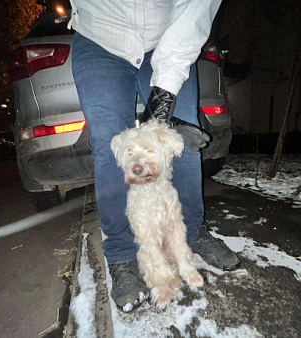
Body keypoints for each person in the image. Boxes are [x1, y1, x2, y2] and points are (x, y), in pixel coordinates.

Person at [68, 0, 240, 311]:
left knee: (184, 144)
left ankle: (193, 232)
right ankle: (121, 255)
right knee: (108, 150)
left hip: (167, 38)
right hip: (99, 40)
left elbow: (195, 10)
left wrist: (163, 108)